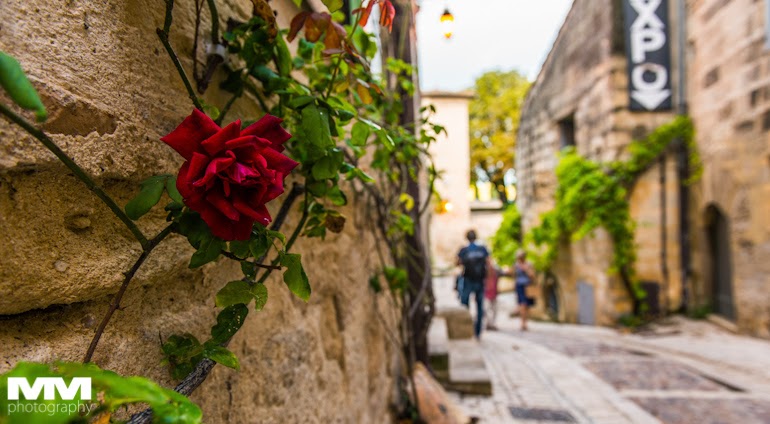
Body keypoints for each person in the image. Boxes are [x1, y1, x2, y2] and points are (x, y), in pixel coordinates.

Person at [457, 230, 489, 339]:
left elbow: (458, 263)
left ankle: (466, 328)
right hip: (480, 280)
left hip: (468, 280)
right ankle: (478, 331)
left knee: (465, 304)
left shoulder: (464, 250)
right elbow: (488, 264)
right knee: (480, 306)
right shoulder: (482, 249)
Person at [514, 249, 535, 331]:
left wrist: (526, 269)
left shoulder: (529, 264)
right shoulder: (516, 265)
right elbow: (515, 275)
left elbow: (532, 275)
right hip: (519, 286)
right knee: (522, 304)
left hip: (527, 286)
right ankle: (523, 323)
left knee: (527, 305)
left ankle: (525, 322)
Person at [484, 262, 500, 331]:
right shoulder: (483, 276)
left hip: (493, 294)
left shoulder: (495, 276)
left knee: (494, 310)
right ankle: (488, 323)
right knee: (486, 309)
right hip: (486, 294)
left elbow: (497, 284)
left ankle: (492, 324)